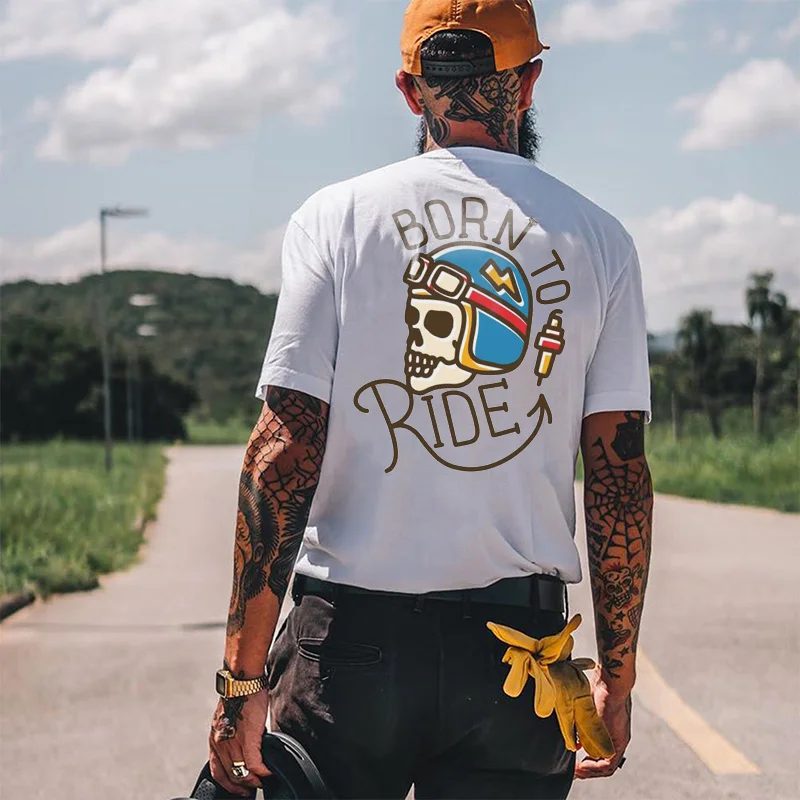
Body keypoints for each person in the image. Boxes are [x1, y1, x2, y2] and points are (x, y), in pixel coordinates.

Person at [207, 1, 653, 797]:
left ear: (410, 90)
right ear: (530, 82)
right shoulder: (600, 240)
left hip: (348, 651)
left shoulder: (335, 219)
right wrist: (616, 679)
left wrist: (240, 683)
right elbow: (618, 476)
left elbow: (283, 449)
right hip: (519, 661)